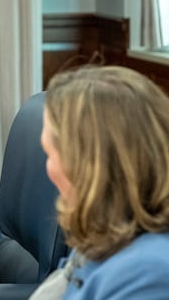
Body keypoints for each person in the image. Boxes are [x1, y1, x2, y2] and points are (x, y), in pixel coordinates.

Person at [31, 65, 169, 299]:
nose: (48, 169)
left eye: (50, 154)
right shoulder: (109, 233)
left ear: (90, 168)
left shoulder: (148, 275)